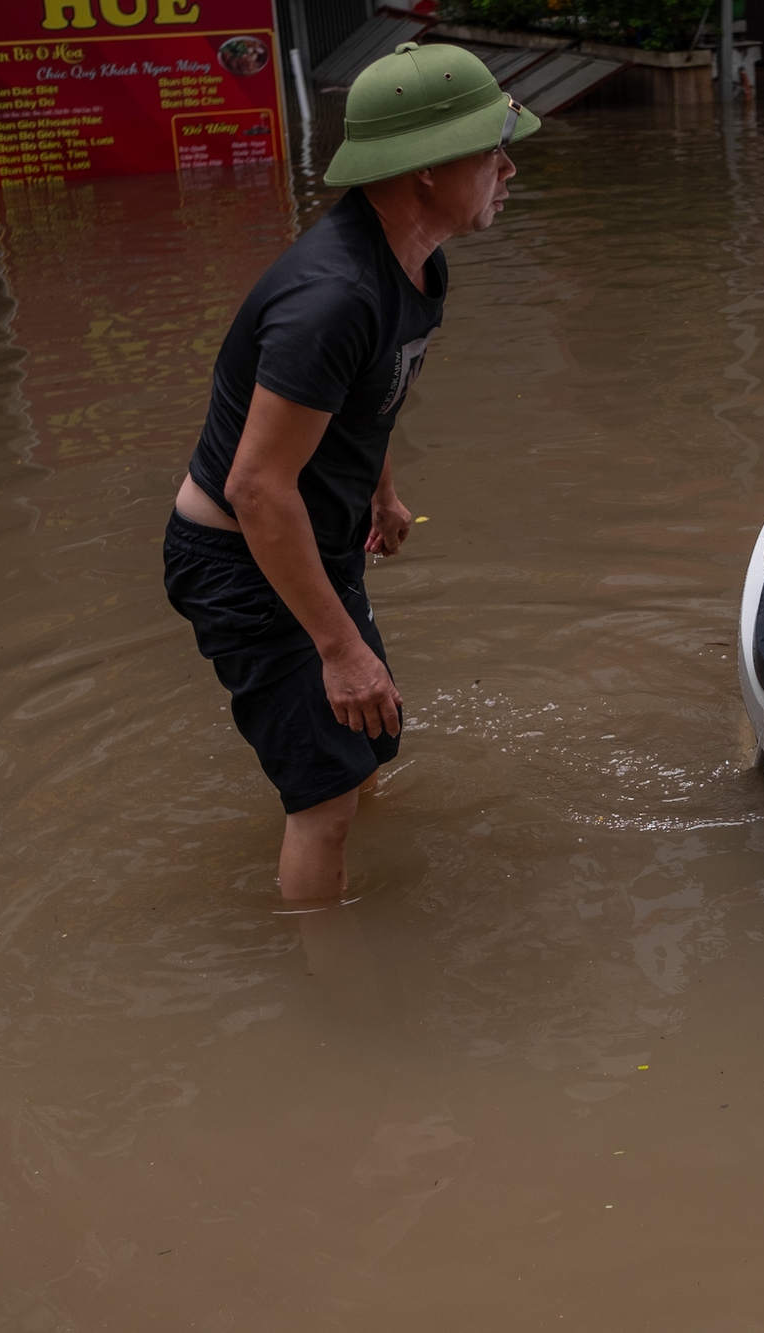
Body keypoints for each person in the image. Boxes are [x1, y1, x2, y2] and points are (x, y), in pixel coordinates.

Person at [163, 42, 538, 900]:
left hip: (309, 536)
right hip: (242, 555)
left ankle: (355, 902)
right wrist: (339, 648)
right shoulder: (331, 298)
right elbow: (256, 486)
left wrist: (381, 489)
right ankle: (338, 1010)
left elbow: (370, 398)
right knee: (326, 796)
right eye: (491, 152)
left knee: (366, 742)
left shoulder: (415, 265)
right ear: (425, 172)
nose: (508, 169)